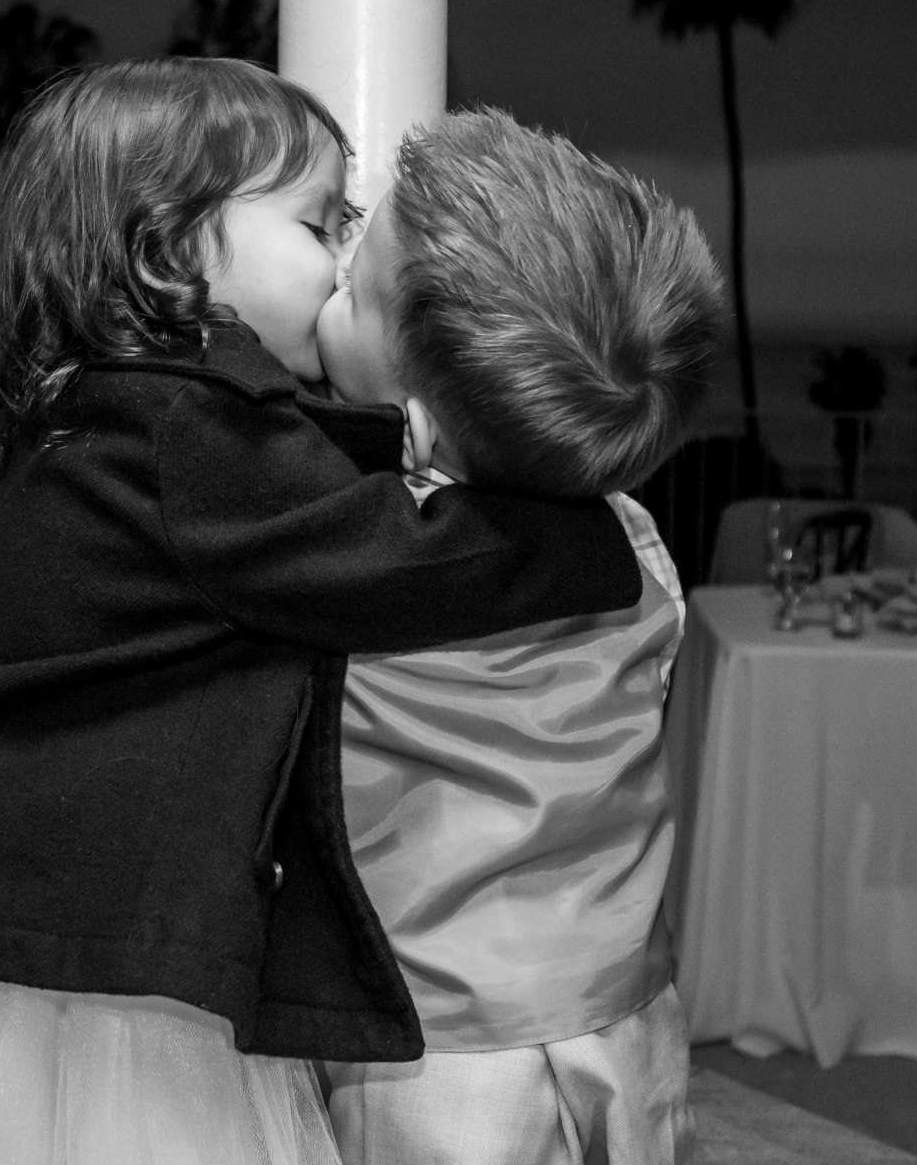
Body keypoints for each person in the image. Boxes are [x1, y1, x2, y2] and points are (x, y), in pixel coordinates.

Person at [0, 59, 646, 1165]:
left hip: (26, 879)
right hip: (90, 936)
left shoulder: (125, 405)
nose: (341, 258)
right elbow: (393, 558)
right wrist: (586, 531)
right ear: (170, 248)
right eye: (319, 224)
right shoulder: (192, 430)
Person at [312, 109, 723, 1165]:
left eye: (356, 287)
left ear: (417, 422)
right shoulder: (637, 545)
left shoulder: (357, 565)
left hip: (430, 1049)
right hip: (620, 1008)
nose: (338, 265)